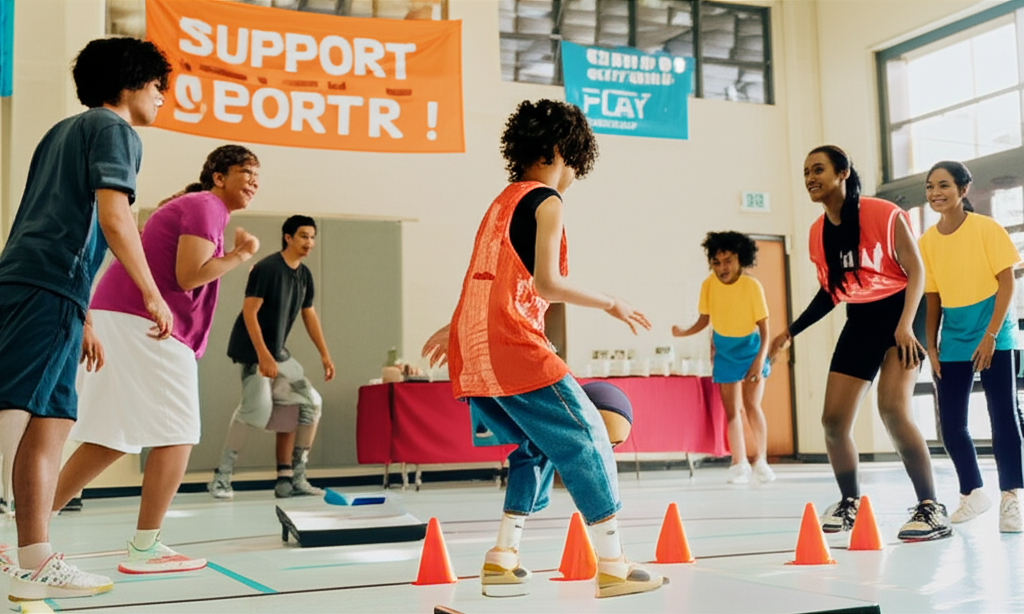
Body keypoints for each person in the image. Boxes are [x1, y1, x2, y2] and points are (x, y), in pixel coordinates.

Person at [421, 99, 665, 599]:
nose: (574, 175)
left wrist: (457, 328)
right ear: (558, 150)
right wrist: (611, 302)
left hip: (475, 352)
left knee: (533, 448)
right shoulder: (547, 201)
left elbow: (486, 277)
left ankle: (502, 558)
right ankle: (614, 565)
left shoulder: (502, 201)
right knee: (587, 436)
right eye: (575, 163)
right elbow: (548, 284)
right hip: (513, 347)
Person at [0, 37, 173, 601]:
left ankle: (35, 561)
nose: (162, 98)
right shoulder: (114, 129)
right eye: (157, 86)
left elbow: (65, 222)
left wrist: (85, 315)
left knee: (51, 421)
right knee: (15, 409)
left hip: (55, 292)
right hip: (44, 285)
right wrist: (151, 293)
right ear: (129, 83)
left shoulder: (61, 132)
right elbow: (114, 217)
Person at [51, 145, 261, 574]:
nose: (254, 182)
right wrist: (239, 256)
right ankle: (145, 547)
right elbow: (188, 276)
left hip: (122, 317)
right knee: (179, 431)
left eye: (258, 176)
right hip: (144, 322)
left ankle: (24, 528)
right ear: (219, 177)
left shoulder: (200, 208)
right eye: (246, 172)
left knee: (113, 435)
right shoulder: (207, 205)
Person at [768, 145, 952, 542]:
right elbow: (831, 292)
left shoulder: (883, 213)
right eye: (806, 172)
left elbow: (916, 270)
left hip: (904, 311)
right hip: (862, 316)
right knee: (833, 422)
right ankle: (849, 502)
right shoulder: (818, 233)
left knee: (892, 408)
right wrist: (790, 332)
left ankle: (931, 507)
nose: (810, 178)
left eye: (818, 169)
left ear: (843, 173)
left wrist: (906, 326)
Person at [920, 160, 1023, 532]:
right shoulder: (926, 242)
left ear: (963, 190)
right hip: (953, 337)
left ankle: (1011, 497)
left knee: (1003, 416)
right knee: (950, 424)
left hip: (995, 333)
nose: (935, 193)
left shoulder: (987, 229)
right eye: (930, 186)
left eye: (944, 185)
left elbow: (1007, 282)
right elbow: (932, 298)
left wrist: (991, 336)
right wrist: (931, 348)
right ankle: (972, 492)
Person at [208, 216, 334, 500]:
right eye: (303, 236)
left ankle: (295, 478)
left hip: (278, 353)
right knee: (255, 412)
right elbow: (249, 312)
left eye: (312, 237)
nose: (309, 243)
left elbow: (309, 314)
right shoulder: (267, 268)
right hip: (252, 351)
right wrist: (263, 355)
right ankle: (221, 479)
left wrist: (324, 355)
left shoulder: (304, 275)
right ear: (288, 237)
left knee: (310, 403)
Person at [672, 231, 774, 484]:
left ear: (740, 259)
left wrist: (759, 360)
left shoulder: (752, 286)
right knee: (732, 412)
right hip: (725, 352)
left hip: (751, 349)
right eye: (716, 262)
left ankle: (761, 460)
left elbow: (765, 329)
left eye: (727, 261)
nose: (722, 268)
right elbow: (704, 320)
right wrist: (684, 332)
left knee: (752, 406)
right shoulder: (708, 285)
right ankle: (739, 463)